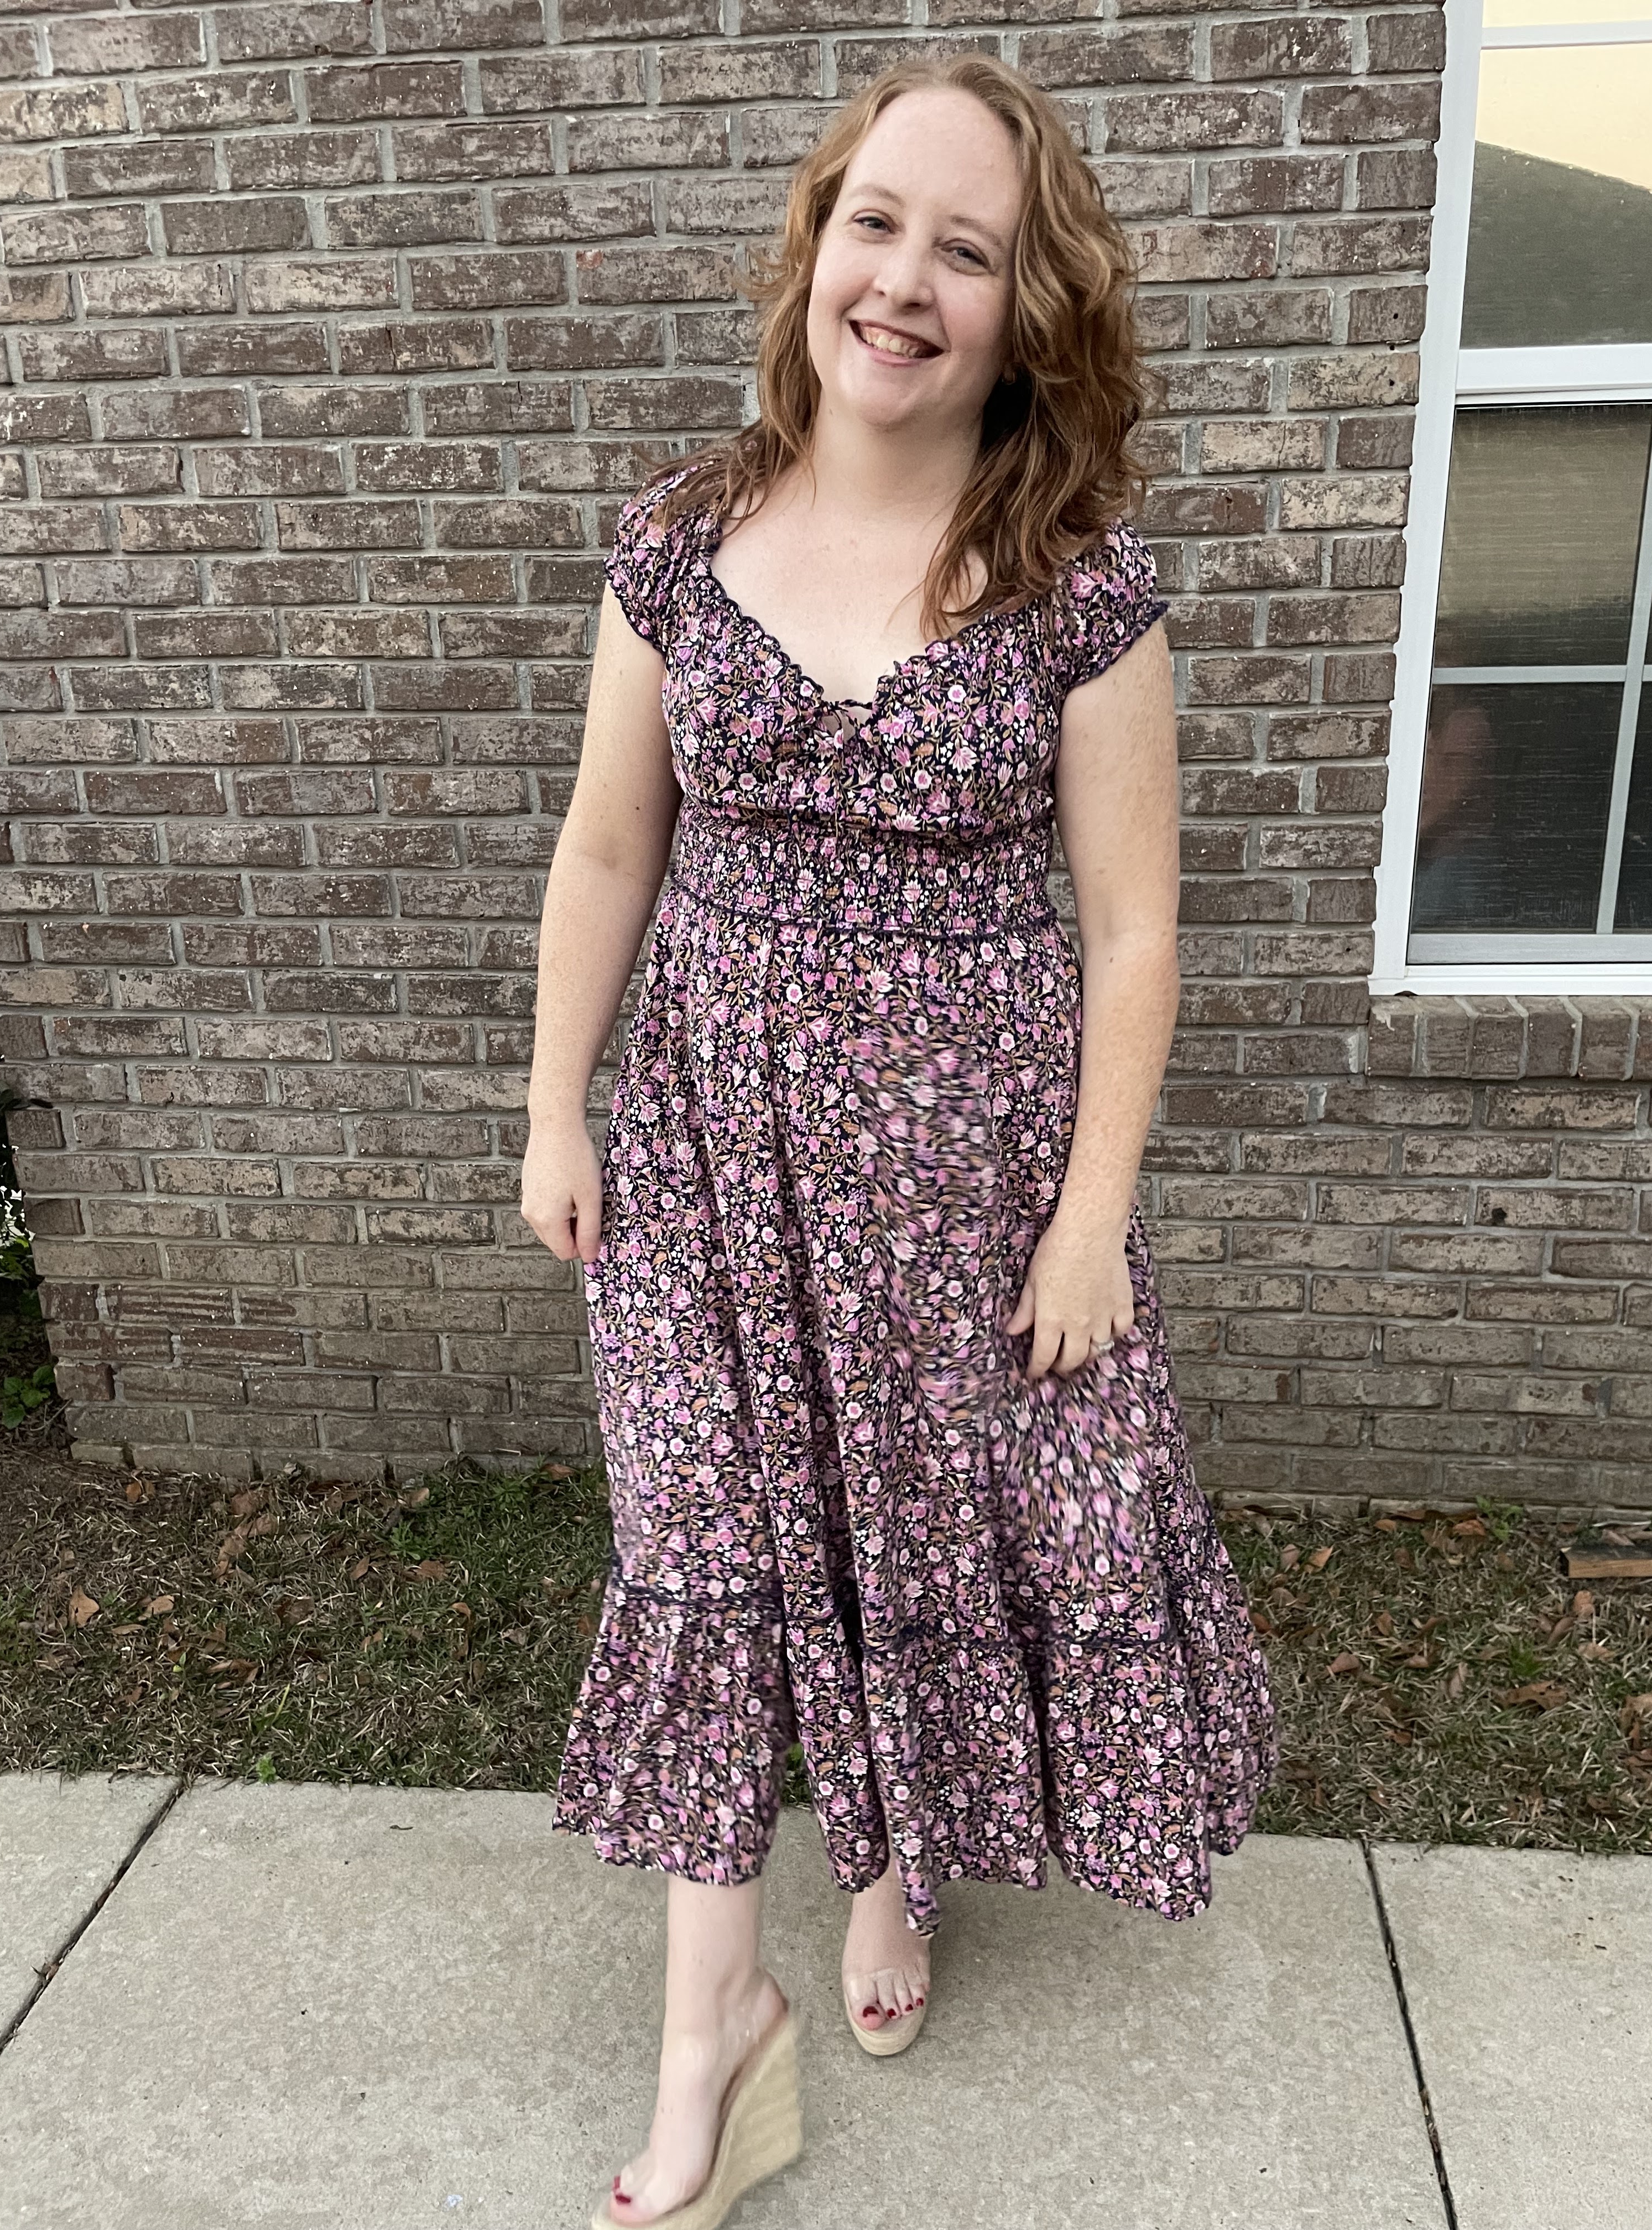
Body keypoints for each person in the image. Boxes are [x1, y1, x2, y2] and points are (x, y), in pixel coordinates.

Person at [520, 53, 1278, 2230]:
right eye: (881, 221)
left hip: (964, 1187)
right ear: (817, 241)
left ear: (1032, 306)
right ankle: (708, 2034)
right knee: (706, 1558)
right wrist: (552, 1100)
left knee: (918, 1545)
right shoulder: (680, 542)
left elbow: (1134, 939)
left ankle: (894, 1875)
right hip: (702, 1174)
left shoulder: (1076, 588)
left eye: (972, 244)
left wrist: (1094, 1221)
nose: (910, 276)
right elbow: (603, 850)